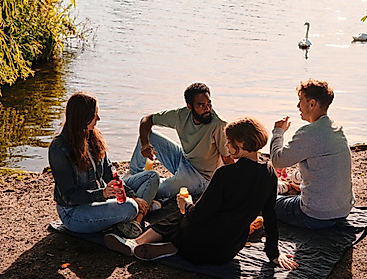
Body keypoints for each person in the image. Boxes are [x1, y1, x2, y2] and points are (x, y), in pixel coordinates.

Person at [105, 117, 298, 270]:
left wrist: (185, 204)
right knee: (196, 217)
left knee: (180, 215)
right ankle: (171, 248)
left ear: (240, 144)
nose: (227, 148)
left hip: (199, 243)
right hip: (228, 250)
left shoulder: (225, 174)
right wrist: (274, 253)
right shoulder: (269, 172)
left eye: (229, 143)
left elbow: (198, 215)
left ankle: (135, 242)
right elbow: (270, 215)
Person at [49, 92, 160, 238]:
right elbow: (69, 196)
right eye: (95, 114)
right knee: (129, 207)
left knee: (152, 176)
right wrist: (102, 194)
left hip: (103, 197)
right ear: (83, 117)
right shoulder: (59, 148)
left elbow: (109, 173)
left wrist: (132, 196)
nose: (98, 118)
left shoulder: (93, 137)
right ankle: (136, 213)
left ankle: (134, 216)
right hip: (74, 212)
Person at [270, 79, 354, 229]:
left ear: (312, 104)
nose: (297, 106)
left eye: (300, 101)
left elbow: (277, 160)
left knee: (265, 201)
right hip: (343, 211)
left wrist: (278, 132)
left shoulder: (308, 133)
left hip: (315, 216)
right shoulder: (337, 129)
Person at [128, 82, 232, 199]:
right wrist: (145, 145)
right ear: (189, 107)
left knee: (155, 189)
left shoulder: (219, 125)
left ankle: (136, 191)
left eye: (209, 103)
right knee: (149, 136)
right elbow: (146, 120)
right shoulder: (180, 115)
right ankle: (133, 175)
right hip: (183, 159)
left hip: (201, 176)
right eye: (201, 105)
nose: (207, 108)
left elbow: (227, 158)